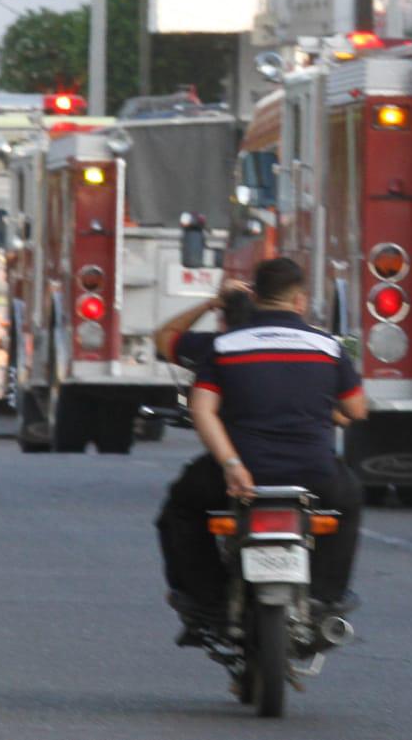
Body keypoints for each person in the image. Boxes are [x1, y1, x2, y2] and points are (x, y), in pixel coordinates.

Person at [156, 258, 366, 622]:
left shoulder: (223, 346)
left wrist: (232, 466)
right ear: (300, 300)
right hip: (315, 475)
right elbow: (357, 410)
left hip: (240, 478)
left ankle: (207, 600)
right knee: (348, 503)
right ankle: (324, 597)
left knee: (181, 509)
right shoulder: (328, 347)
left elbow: (202, 408)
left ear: (255, 297)